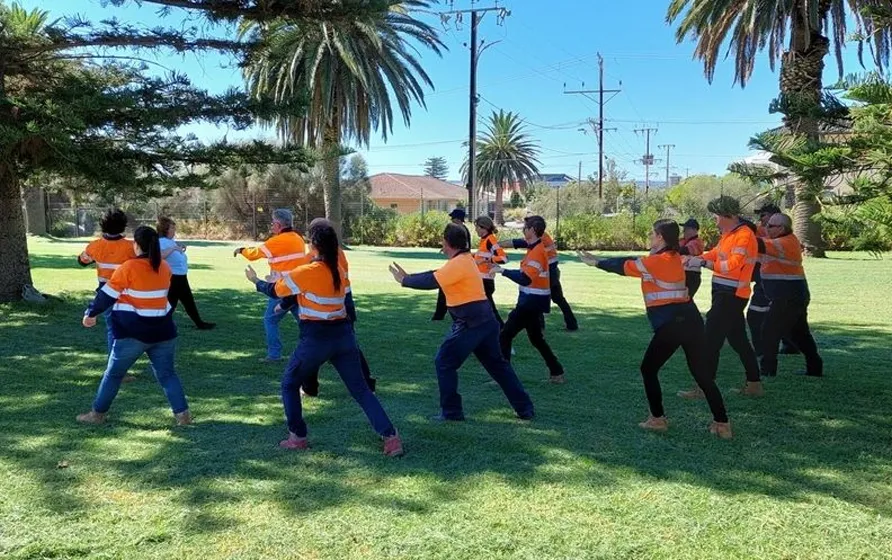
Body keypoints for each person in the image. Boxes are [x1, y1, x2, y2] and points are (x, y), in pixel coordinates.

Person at [244, 221, 403, 456]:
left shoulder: (307, 271)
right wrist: (287, 302)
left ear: (314, 246)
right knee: (361, 390)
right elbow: (307, 294)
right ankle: (391, 438)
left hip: (316, 339)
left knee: (289, 383)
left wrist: (255, 280)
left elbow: (274, 290)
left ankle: (297, 436)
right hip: (343, 337)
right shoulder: (337, 270)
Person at [577, 220, 732, 438]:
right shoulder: (677, 258)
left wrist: (596, 262)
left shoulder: (655, 262)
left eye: (652, 234)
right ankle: (722, 423)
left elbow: (625, 266)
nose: (650, 237)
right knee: (702, 374)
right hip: (692, 320)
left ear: (660, 237)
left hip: (671, 324)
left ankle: (657, 419)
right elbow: (635, 263)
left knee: (648, 369)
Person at [389, 223, 534, 422]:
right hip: (486, 321)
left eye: (443, 240)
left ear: (447, 243)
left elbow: (433, 281)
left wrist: (405, 281)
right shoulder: (464, 259)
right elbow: (435, 273)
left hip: (470, 324)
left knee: (444, 362)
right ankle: (525, 408)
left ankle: (451, 412)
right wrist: (409, 277)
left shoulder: (458, 264)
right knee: (498, 367)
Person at [76, 226, 192, 426]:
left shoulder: (128, 267)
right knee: (167, 374)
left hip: (133, 333)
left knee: (113, 374)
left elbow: (106, 296)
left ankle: (97, 415)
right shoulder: (165, 267)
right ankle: (183, 416)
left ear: (136, 245)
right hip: (163, 331)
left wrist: (90, 313)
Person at [681, 196, 763, 398]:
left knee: (710, 341)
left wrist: (701, 264)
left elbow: (732, 264)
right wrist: (694, 259)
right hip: (727, 294)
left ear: (729, 215)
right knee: (739, 341)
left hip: (731, 295)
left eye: (716, 216)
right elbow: (715, 253)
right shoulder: (730, 234)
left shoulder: (743, 235)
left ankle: (704, 388)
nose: (715, 220)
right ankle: (754, 385)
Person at [299, 219, 377, 397]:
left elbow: (299, 279)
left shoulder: (313, 256)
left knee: (313, 346)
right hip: (345, 300)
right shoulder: (340, 253)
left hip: (322, 304)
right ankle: (367, 384)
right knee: (351, 345)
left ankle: (309, 387)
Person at [234, 209, 310, 362]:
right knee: (305, 322)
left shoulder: (277, 241)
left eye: (272, 223)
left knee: (270, 320)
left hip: (282, 288)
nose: (271, 226)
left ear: (277, 224)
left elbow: (254, 254)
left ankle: (274, 354)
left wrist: (241, 250)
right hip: (298, 288)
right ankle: (320, 349)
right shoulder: (298, 238)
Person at [497, 215, 566, 384]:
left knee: (504, 335)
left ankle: (504, 378)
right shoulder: (534, 245)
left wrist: (502, 271)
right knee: (536, 339)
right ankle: (557, 372)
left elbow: (525, 278)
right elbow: (516, 243)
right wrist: (497, 245)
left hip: (530, 302)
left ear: (533, 231)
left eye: (526, 227)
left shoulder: (537, 252)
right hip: (534, 301)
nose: (523, 230)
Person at [758, 213, 823, 378]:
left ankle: (767, 370)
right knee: (799, 334)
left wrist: (742, 232)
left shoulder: (785, 243)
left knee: (770, 331)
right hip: (794, 295)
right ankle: (815, 368)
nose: (767, 228)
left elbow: (758, 244)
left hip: (787, 296)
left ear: (782, 228)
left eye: (771, 226)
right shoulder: (781, 240)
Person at [78, 209, 137, 352]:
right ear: (123, 226)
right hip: (127, 293)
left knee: (113, 329)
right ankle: (119, 368)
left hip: (106, 293)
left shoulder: (95, 245)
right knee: (129, 329)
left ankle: (116, 368)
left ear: (102, 225)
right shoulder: (131, 247)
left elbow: (82, 261)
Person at [510, 226, 578, 331]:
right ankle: (571, 324)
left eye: (527, 227)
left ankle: (540, 325)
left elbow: (520, 243)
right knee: (558, 299)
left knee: (539, 296)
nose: (525, 230)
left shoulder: (539, 238)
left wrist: (498, 244)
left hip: (546, 273)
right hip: (552, 271)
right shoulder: (544, 236)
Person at [157, 217, 215, 330]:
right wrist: (174, 248)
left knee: (185, 301)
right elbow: (160, 256)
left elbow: (173, 252)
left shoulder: (170, 242)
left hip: (180, 277)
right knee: (174, 302)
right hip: (173, 277)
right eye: (172, 228)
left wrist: (178, 247)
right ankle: (160, 325)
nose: (174, 230)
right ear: (165, 229)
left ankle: (199, 323)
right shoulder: (161, 242)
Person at [432, 208, 471, 321]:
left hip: (458, 263)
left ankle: (439, 315)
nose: (451, 220)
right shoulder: (462, 230)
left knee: (444, 285)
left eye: (453, 218)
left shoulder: (461, 231)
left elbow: (464, 247)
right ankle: (439, 314)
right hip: (458, 262)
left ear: (458, 219)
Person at [473, 215, 508, 327]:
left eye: (477, 227)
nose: (475, 230)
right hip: (481, 280)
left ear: (484, 228)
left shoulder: (490, 240)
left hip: (486, 280)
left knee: (489, 308)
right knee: (483, 307)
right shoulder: (485, 240)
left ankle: (501, 329)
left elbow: (503, 258)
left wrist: (486, 259)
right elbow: (482, 256)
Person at [678, 218, 705, 298]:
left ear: (694, 230)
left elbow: (684, 250)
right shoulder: (683, 240)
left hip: (692, 275)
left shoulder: (697, 242)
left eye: (686, 229)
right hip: (682, 274)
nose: (684, 231)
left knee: (686, 299)